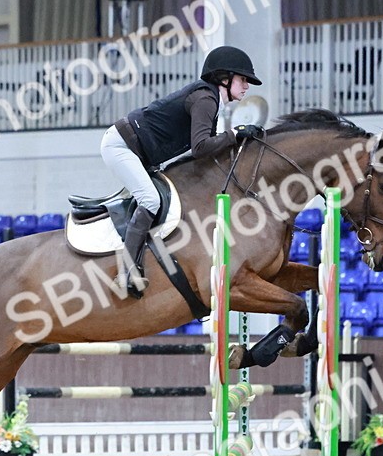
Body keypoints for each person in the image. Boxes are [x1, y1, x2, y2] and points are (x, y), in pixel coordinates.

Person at [100, 45, 264, 298]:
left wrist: (238, 138)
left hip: (140, 151)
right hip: (122, 145)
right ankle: (127, 272)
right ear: (224, 78)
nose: (246, 87)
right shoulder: (206, 99)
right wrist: (234, 134)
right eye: (243, 80)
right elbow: (200, 148)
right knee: (150, 200)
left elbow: (208, 150)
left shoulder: (211, 100)